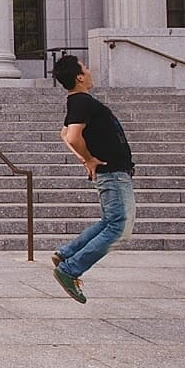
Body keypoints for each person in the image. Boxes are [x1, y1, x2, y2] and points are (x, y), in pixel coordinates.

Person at [49, 55, 136, 304]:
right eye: (85, 68)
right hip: (113, 173)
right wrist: (88, 159)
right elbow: (73, 136)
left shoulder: (78, 103)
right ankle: (70, 268)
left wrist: (85, 159)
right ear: (79, 76)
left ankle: (67, 254)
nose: (89, 71)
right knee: (120, 227)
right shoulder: (81, 101)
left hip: (113, 173)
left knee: (111, 221)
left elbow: (64, 134)